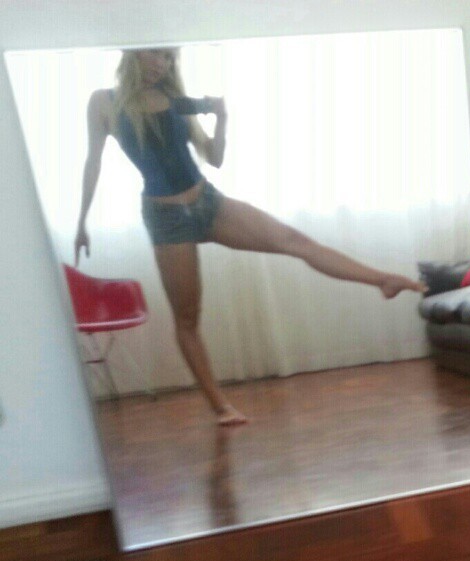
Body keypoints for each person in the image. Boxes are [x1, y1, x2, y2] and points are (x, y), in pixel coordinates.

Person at [75, 47, 427, 427]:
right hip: (166, 220)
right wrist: (82, 221)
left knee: (296, 241)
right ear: (133, 52)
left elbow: (214, 157)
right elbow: (93, 160)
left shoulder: (177, 101)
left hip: (208, 202)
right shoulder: (104, 102)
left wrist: (222, 118)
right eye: (155, 54)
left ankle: (383, 280)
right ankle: (220, 407)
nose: (161, 64)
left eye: (168, 58)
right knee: (188, 317)